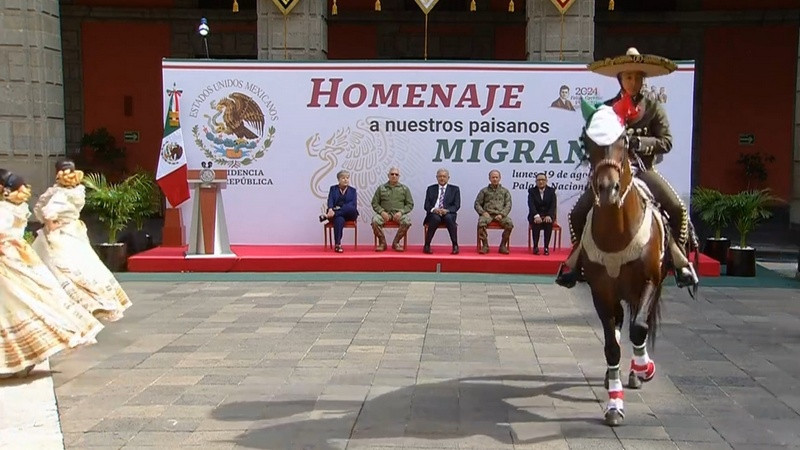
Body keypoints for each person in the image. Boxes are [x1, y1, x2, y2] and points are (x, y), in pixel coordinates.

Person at [556, 47, 699, 289]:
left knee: (677, 208)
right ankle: (578, 261)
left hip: (643, 170)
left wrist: (639, 143)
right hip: (612, 171)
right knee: (577, 213)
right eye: (628, 77)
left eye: (638, 77)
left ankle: (679, 260)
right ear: (620, 79)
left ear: (643, 80)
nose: (633, 82)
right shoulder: (605, 109)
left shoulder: (653, 108)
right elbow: (591, 139)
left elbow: (666, 142)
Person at [0, 169, 103, 378]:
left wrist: (51, 222)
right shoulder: (18, 207)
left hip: (9, 260)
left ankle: (19, 358)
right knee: (30, 300)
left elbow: (42, 214)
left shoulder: (5, 209)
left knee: (16, 304)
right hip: (21, 256)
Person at [32, 159, 132, 321]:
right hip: (75, 231)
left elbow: (46, 211)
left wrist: (50, 223)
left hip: (60, 233)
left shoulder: (59, 193)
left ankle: (72, 304)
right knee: (85, 265)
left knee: (57, 268)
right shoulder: (78, 191)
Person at [371, 167, 414, 252]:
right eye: (392, 174)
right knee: (375, 221)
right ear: (388, 175)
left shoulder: (404, 189)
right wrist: (381, 212)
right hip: (384, 214)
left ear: (399, 176)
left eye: (396, 174)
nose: (394, 176)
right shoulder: (381, 188)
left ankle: (396, 242)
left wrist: (401, 212)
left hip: (398, 214)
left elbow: (410, 204)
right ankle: (382, 243)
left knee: (407, 221)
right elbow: (374, 203)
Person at [319, 169, 359, 253]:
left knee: (351, 208)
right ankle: (338, 244)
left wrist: (334, 211)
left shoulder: (353, 190)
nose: (346, 180)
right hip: (338, 215)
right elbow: (330, 200)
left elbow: (353, 205)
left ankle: (328, 216)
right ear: (338, 180)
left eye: (347, 178)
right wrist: (330, 208)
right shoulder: (333, 189)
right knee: (339, 220)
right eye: (343, 178)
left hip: (350, 214)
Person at [475, 169, 513, 254]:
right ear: (489, 178)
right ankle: (485, 246)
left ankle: (503, 246)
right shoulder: (484, 191)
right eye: (493, 177)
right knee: (481, 223)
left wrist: (502, 214)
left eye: (496, 177)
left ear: (500, 178)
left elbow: (508, 204)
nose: (495, 179)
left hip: (500, 215)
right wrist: (483, 212)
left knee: (509, 224)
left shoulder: (505, 191)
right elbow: (477, 204)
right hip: (487, 214)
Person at [422, 168, 460, 255]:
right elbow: (426, 205)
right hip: (434, 214)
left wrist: (447, 210)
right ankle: (427, 245)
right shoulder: (430, 189)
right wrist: (434, 210)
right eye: (440, 176)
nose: (442, 178)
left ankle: (455, 245)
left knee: (448, 218)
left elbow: (456, 205)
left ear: (448, 178)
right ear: (437, 177)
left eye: (444, 176)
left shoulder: (455, 189)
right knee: (436, 218)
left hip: (448, 214)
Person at [527, 173, 557, 255]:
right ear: (536, 181)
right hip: (535, 215)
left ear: (546, 181)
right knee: (536, 223)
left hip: (547, 215)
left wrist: (549, 215)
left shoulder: (551, 191)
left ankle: (546, 247)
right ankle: (535, 247)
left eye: (543, 180)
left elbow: (553, 205)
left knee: (548, 223)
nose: (541, 182)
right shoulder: (532, 191)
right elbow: (531, 205)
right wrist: (536, 216)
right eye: (539, 180)